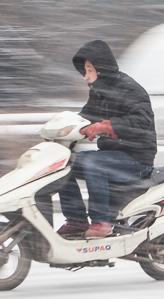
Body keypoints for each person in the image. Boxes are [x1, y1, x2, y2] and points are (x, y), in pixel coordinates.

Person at [57, 40, 157, 238]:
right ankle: (76, 220)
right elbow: (84, 118)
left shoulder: (129, 88)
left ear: (100, 69)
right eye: (84, 70)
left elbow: (141, 121)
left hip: (136, 158)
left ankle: (101, 222)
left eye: (89, 70)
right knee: (62, 164)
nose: (86, 76)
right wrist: (61, 131)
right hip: (112, 154)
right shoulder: (99, 92)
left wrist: (107, 126)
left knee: (95, 164)